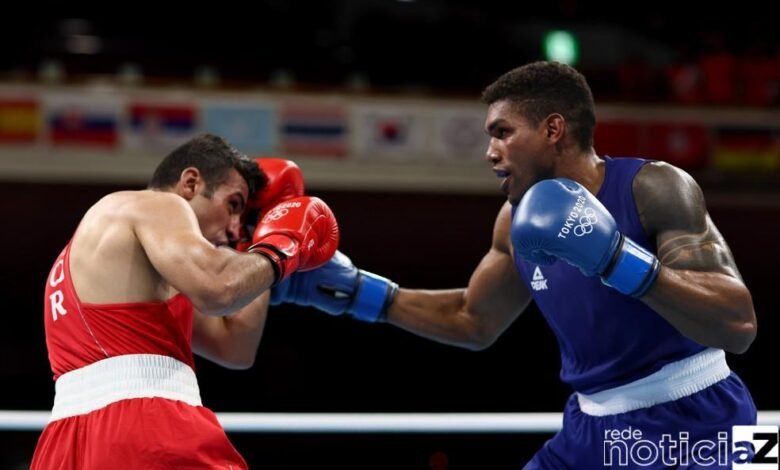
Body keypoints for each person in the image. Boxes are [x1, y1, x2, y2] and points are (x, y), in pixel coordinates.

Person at [272, 62, 759, 469]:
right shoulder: (513, 221)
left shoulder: (652, 187)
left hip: (698, 422)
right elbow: (474, 319)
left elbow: (738, 325)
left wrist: (616, 259)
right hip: (588, 427)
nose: (490, 152)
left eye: (502, 133)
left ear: (553, 129)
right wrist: (358, 292)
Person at [31, 134, 339, 469]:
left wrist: (257, 236)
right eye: (234, 205)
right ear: (191, 183)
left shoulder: (120, 259)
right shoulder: (156, 204)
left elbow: (234, 347)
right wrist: (282, 246)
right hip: (146, 428)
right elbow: (219, 288)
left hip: (66, 443)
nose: (235, 228)